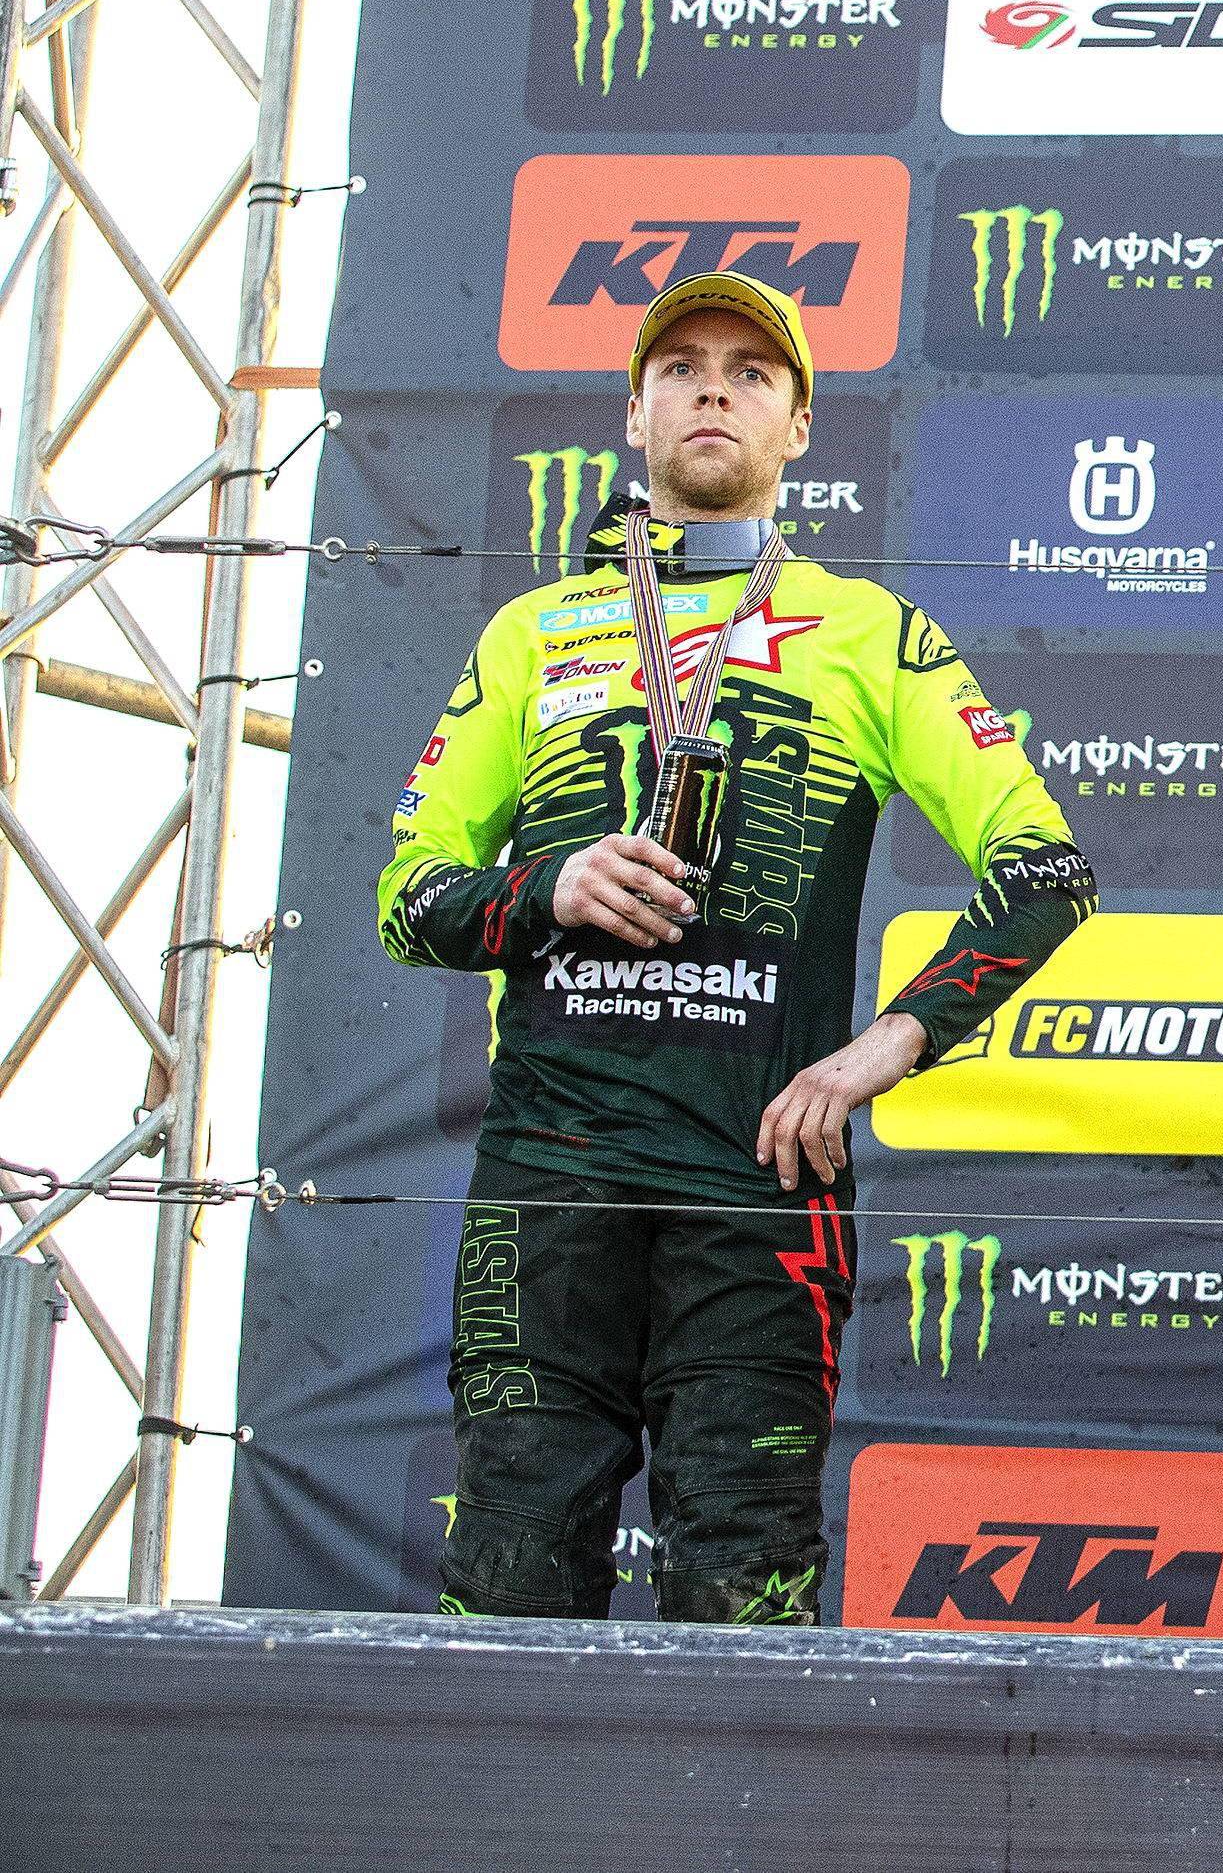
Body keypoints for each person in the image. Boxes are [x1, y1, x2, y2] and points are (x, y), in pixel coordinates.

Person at [379, 272, 1096, 1622]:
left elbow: (1047, 871)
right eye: (683, 367)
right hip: (550, 1181)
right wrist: (548, 887)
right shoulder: (532, 635)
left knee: (744, 1593)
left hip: (764, 1184)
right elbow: (407, 900)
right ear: (634, 412)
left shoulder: (870, 633)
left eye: (752, 372)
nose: (715, 389)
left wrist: (884, 1049)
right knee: (509, 1584)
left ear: (799, 426)